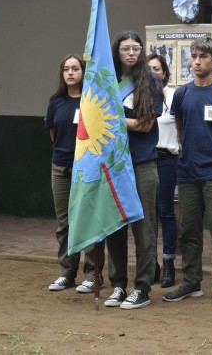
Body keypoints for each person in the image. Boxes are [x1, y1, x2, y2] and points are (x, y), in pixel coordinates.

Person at [163, 37, 212, 306]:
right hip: (187, 173)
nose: (197, 61)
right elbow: (180, 128)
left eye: (203, 57)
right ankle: (190, 282)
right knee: (189, 231)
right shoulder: (182, 94)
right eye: (194, 56)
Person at [103, 31, 163, 310]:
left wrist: (111, 118)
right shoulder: (107, 81)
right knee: (113, 226)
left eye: (136, 48)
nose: (131, 53)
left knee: (144, 227)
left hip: (141, 163)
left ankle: (142, 287)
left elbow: (145, 124)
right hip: (112, 164)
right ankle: (117, 285)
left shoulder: (149, 80)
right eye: (126, 48)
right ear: (116, 51)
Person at [45, 53, 105, 293]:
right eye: (66, 69)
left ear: (84, 72)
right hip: (60, 168)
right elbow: (53, 134)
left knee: (88, 222)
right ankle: (67, 272)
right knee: (64, 223)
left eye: (75, 68)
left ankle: (93, 275)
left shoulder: (91, 101)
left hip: (86, 169)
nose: (70, 73)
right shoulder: (55, 102)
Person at [147, 53, 179, 288]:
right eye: (149, 69)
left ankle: (169, 265)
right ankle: (151, 265)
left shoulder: (174, 96)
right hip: (144, 160)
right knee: (147, 215)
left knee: (165, 212)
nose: (153, 73)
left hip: (167, 159)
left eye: (157, 69)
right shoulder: (138, 97)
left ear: (165, 73)